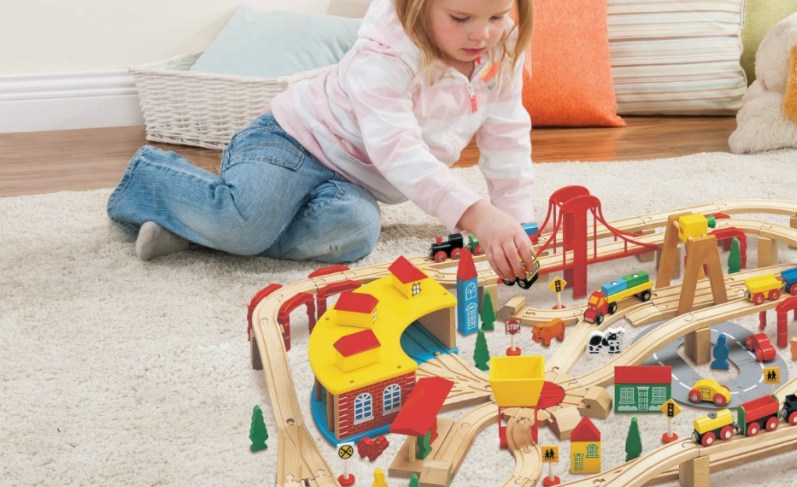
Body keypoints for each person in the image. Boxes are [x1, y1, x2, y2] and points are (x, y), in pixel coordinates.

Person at [107, 0, 536, 282]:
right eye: (461, 18)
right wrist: (477, 215)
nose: (482, 35)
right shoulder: (384, 58)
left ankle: (195, 231)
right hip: (291, 142)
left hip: (352, 181)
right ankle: (149, 179)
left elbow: (506, 132)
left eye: (497, 16)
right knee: (246, 222)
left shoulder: (501, 51)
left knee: (354, 233)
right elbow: (399, 152)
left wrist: (518, 221)